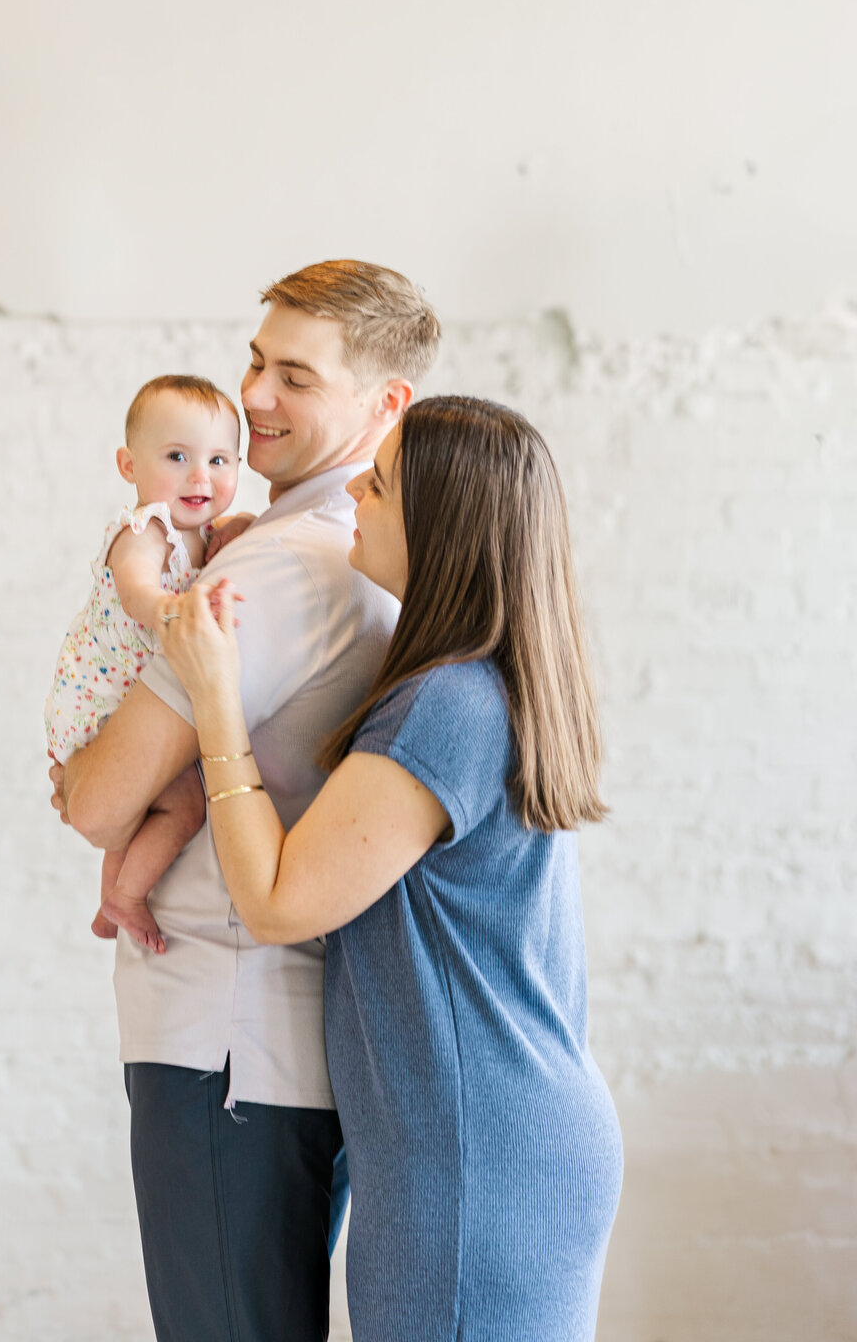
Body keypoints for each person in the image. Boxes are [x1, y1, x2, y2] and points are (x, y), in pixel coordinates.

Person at [159, 395, 625, 1342]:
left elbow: (281, 900)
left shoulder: (445, 706)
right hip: (502, 1142)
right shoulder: (488, 687)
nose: (354, 496)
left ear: (439, 528)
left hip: (470, 1163)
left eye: (378, 483)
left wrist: (216, 699)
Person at [50, 261, 441, 1342]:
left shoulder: (280, 573)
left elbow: (93, 800)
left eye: (298, 378)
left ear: (384, 404)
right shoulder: (322, 552)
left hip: (224, 1046)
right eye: (256, 362)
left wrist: (100, 778)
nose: (256, 397)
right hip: (272, 1051)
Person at [44, 375, 241, 952]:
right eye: (177, 456)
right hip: (99, 703)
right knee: (184, 805)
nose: (200, 475)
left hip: (120, 696)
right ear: (129, 466)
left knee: (150, 802)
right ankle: (125, 897)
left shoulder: (202, 531)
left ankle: (113, 899)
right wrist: (170, 608)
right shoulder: (146, 530)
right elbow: (135, 590)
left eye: (219, 459)